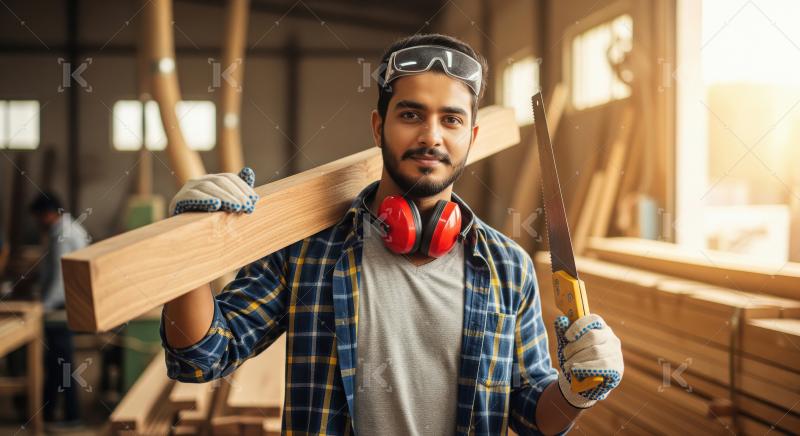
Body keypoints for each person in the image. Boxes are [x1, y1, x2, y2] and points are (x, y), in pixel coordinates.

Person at [161, 33, 623, 435]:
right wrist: (189, 244)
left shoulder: (507, 266)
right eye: (411, 115)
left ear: (473, 138)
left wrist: (574, 394)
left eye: (451, 119)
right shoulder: (307, 250)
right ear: (378, 126)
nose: (431, 136)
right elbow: (201, 357)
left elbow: (529, 416)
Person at [29, 192, 89, 425]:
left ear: (48, 214)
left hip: (62, 310)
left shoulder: (64, 235)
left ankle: (73, 416)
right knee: (56, 364)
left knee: (63, 364)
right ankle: (49, 413)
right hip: (60, 307)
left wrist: (41, 307)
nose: (38, 223)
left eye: (38, 217)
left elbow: (60, 280)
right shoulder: (62, 231)